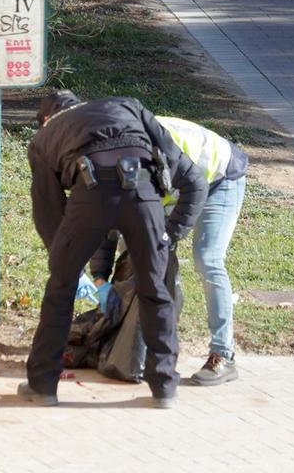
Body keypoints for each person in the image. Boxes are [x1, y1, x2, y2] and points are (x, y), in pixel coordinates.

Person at [18, 90, 207, 409]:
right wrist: (168, 236)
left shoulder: (44, 138)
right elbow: (192, 178)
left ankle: (43, 386)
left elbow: (49, 211)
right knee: (154, 291)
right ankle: (164, 389)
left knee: (59, 292)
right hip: (145, 197)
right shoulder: (127, 106)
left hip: (89, 198)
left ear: (46, 119)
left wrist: (66, 264)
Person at [90, 115, 249, 386]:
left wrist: (166, 239)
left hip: (216, 178)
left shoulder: (155, 148)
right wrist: (100, 279)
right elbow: (107, 225)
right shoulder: (106, 165)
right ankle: (131, 343)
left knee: (207, 258)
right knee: (136, 253)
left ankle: (223, 354)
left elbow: (195, 189)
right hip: (172, 187)